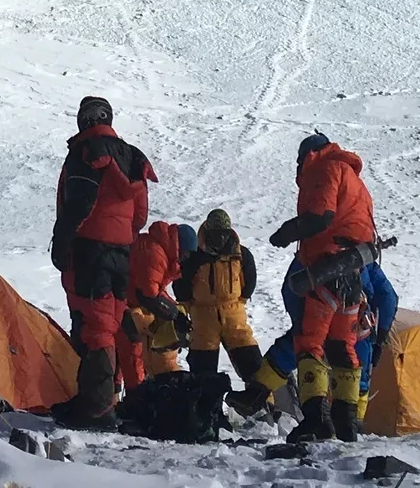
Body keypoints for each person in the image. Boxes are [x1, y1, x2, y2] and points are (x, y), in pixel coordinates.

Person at [47, 95, 154, 429]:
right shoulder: (133, 158)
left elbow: (78, 204)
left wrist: (62, 243)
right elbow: (140, 216)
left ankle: (96, 409)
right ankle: (93, 400)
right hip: (121, 252)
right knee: (108, 322)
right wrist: (120, 237)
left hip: (89, 250)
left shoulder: (85, 152)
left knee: (94, 327)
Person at [268, 133, 378, 440]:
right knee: (342, 344)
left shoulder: (325, 168)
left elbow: (320, 216)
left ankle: (316, 418)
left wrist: (287, 232)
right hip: (353, 270)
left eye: (300, 159)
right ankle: (346, 421)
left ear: (309, 154)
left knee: (310, 342)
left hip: (325, 266)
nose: (298, 166)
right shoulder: (354, 179)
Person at [253, 252, 397, 423]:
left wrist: (299, 321)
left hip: (314, 323)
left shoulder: (311, 253)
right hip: (356, 331)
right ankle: (351, 425)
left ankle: (255, 396)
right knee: (356, 375)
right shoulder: (365, 262)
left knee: (292, 354)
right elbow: (387, 297)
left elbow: (290, 288)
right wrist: (380, 335)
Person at [180, 208, 268, 410]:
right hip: (203, 320)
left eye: (223, 234)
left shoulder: (241, 255)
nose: (220, 238)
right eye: (215, 234)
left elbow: (249, 283)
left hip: (234, 315)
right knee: (203, 373)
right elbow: (182, 288)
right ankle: (208, 415)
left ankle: (263, 409)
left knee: (253, 365)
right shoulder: (194, 257)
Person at [118, 219, 189, 391]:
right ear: (180, 246)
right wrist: (174, 314)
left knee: (143, 343)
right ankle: (137, 397)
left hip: (129, 302)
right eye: (187, 253)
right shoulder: (155, 254)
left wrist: (175, 310)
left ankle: (153, 387)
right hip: (122, 304)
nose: (186, 259)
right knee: (132, 350)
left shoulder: (161, 250)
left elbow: (155, 290)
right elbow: (148, 294)